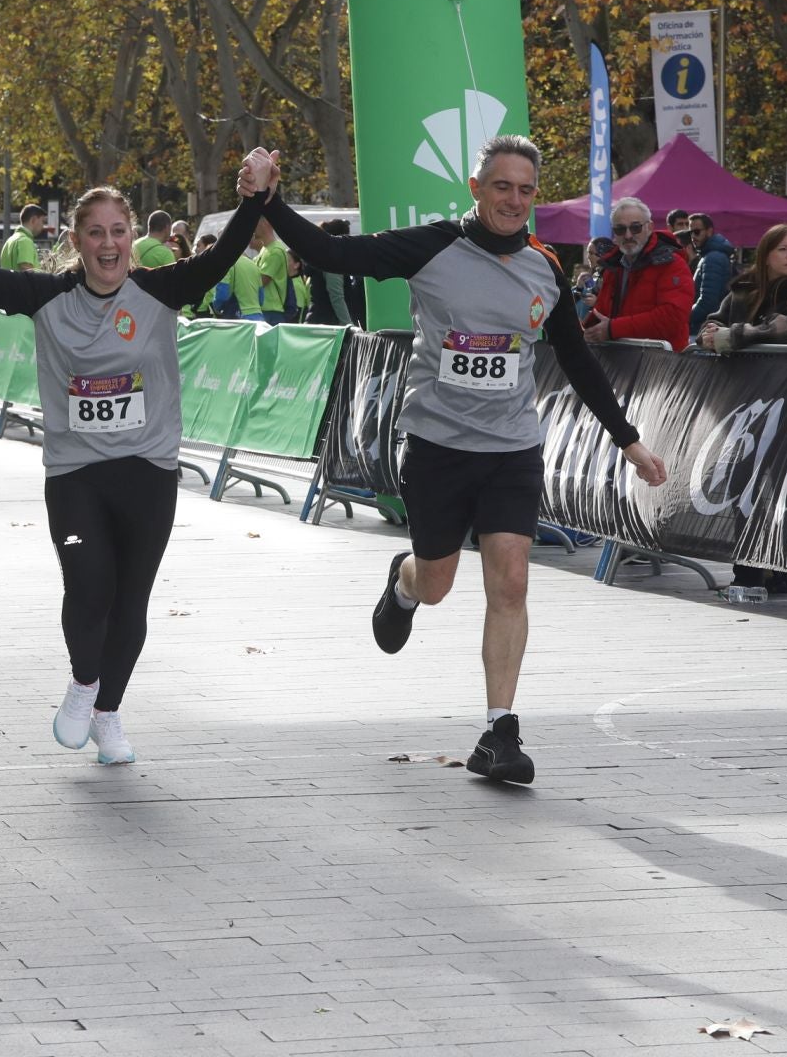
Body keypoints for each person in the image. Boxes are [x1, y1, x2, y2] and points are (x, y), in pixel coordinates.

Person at [249, 136, 667, 785]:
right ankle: (405, 581)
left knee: (511, 579)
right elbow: (333, 252)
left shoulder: (543, 268)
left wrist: (628, 439)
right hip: (439, 448)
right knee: (438, 583)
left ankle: (501, 731)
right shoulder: (432, 246)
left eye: (527, 190)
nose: (515, 201)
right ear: (477, 188)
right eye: (503, 187)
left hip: (512, 449)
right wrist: (269, 199)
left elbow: (576, 359)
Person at [0, 175, 265, 765]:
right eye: (95, 233)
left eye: (118, 232)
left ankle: (108, 714)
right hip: (76, 472)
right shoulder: (47, 296)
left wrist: (255, 196)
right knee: (90, 588)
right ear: (76, 239)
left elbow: (221, 256)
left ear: (133, 237)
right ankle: (84, 683)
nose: (108, 244)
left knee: (131, 600)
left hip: (147, 469)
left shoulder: (162, 290)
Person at [698, 223, 787, 596]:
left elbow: (779, 328)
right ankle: (750, 570)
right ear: (766, 254)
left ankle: (786, 570)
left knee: (786, 488)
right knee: (743, 482)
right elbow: (714, 320)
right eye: (783, 249)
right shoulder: (743, 290)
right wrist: (709, 333)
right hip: (749, 407)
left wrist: (729, 337)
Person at [581, 197, 694, 352]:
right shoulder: (613, 267)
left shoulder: (672, 264)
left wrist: (613, 329)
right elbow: (601, 314)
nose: (628, 235)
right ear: (614, 233)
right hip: (623, 361)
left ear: (649, 227)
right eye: (620, 229)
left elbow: (672, 319)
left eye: (635, 228)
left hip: (664, 367)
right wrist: (585, 330)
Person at [687, 212, 736, 335]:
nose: (693, 236)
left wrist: (685, 317)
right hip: (708, 328)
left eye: (697, 231)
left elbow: (708, 301)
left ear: (709, 231)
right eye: (690, 232)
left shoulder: (713, 258)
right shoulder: (711, 255)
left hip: (705, 329)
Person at [251, 220, 290, 324]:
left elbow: (261, 281)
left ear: (265, 223)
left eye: (255, 222)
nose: (252, 227)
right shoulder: (265, 249)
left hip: (272, 310)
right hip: (264, 309)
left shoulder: (275, 251)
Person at [1, 204, 48, 271]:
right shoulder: (25, 241)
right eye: (42, 221)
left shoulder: (9, 241)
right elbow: (28, 275)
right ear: (33, 220)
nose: (43, 226)